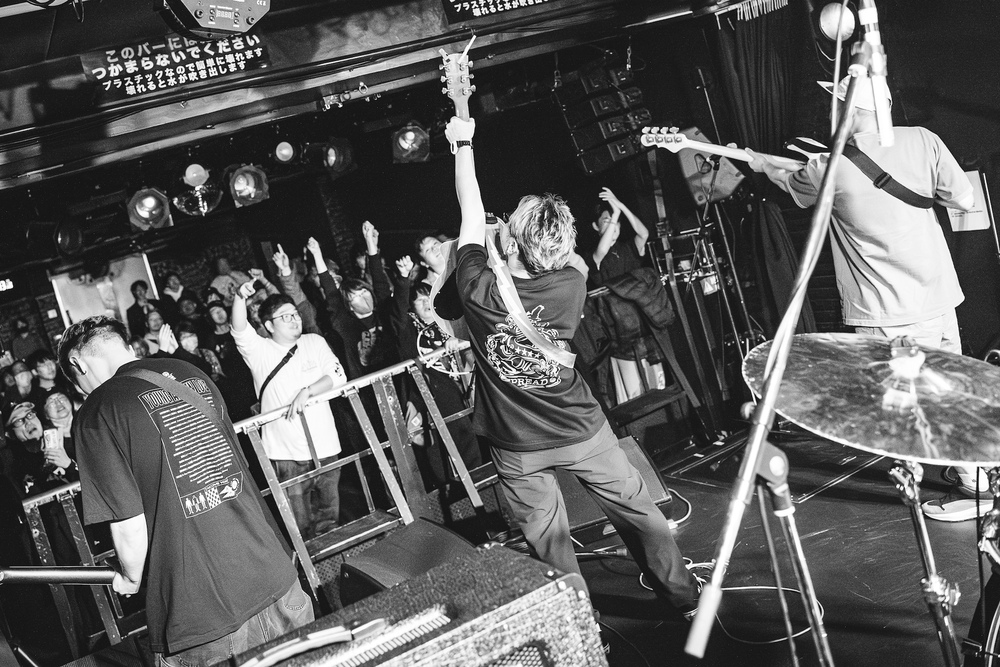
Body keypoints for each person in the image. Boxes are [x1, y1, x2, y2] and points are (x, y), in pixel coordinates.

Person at [444, 114, 700, 619]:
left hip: (516, 443)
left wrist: (463, 143)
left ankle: (579, 624)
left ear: (511, 244)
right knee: (639, 512)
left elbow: (469, 209)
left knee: (549, 544)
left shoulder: (477, 289)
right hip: (580, 427)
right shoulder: (573, 282)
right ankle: (683, 598)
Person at [748, 75, 978, 519]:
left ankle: (961, 486)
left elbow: (787, 180)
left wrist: (760, 164)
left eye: (837, 103)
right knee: (950, 391)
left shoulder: (828, 165)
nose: (832, 111)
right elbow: (964, 200)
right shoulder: (924, 140)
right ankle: (974, 473)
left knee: (902, 410)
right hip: (938, 298)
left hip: (884, 312)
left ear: (851, 107)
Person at [57, 316, 311, 665]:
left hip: (202, 613)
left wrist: (130, 576)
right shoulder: (189, 373)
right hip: (275, 576)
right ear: (125, 345)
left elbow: (129, 526)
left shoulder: (97, 411)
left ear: (77, 363)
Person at [231, 287, 347, 540]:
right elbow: (239, 328)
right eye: (285, 317)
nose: (295, 320)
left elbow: (337, 375)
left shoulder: (313, 342)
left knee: (330, 516)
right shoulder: (260, 351)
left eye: (295, 314)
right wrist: (240, 298)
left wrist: (308, 391)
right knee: (300, 524)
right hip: (286, 452)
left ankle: (337, 554)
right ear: (269, 326)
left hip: (325, 444)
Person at [390, 255, 481, 490]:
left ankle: (480, 481)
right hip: (432, 397)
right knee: (439, 450)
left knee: (472, 437)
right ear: (412, 309)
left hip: (466, 390)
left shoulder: (449, 323)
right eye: (419, 301)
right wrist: (403, 279)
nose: (425, 304)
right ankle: (450, 489)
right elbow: (397, 313)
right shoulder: (409, 332)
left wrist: (456, 338)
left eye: (427, 298)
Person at [308, 226, 398, 380]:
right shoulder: (347, 326)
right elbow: (331, 293)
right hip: (369, 384)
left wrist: (370, 242)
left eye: (364, 292)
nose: (363, 297)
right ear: (349, 305)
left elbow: (378, 278)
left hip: (398, 377)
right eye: (356, 296)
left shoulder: (383, 312)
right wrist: (317, 254)